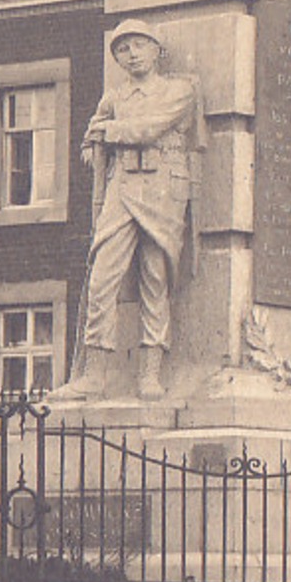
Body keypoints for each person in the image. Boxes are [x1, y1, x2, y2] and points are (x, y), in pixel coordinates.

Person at [59, 20, 200, 400]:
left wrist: (109, 133)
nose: (132, 54)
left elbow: (151, 127)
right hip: (122, 186)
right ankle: (94, 373)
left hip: (163, 188)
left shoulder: (179, 90)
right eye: (123, 49)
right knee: (103, 276)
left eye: (139, 45)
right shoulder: (114, 97)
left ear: (157, 50)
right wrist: (93, 143)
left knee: (155, 277)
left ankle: (149, 373)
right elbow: (92, 131)